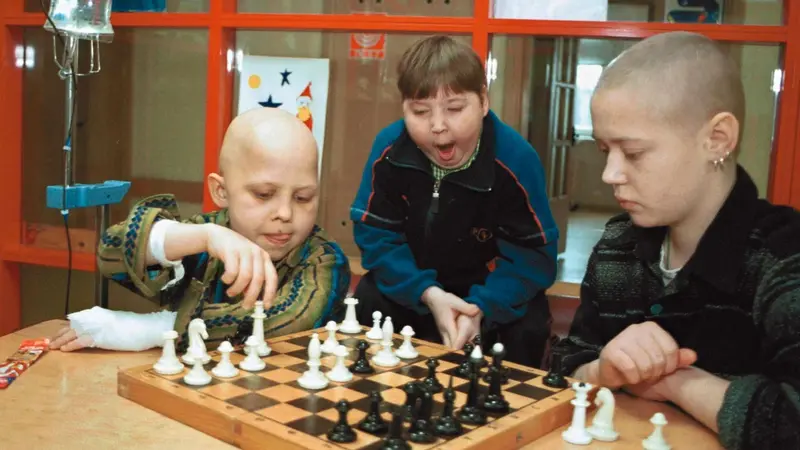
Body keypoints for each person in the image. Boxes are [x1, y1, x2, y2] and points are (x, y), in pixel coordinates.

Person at [550, 31, 800, 450]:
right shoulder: (616, 245)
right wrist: (602, 371)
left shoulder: (784, 258)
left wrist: (674, 381)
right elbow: (564, 370)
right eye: (605, 150)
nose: (610, 174)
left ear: (717, 139)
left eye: (633, 153)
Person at [49, 108, 350, 353]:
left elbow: (289, 320)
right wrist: (204, 237)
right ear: (221, 191)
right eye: (263, 194)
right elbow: (110, 253)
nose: (285, 213)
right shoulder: (207, 236)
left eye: (303, 198)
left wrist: (149, 329)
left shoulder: (322, 259)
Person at [350, 36, 559, 368]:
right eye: (420, 111)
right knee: (370, 297)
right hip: (414, 285)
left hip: (488, 292)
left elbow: (533, 258)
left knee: (527, 324)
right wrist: (429, 294)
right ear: (403, 108)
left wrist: (480, 308)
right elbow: (376, 237)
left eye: (455, 109)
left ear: (483, 102)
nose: (438, 126)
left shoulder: (517, 159)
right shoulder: (388, 150)